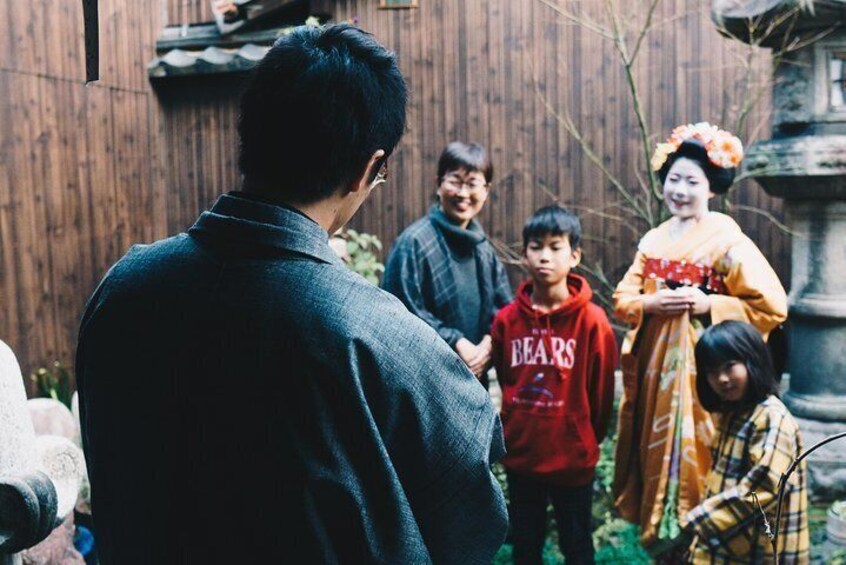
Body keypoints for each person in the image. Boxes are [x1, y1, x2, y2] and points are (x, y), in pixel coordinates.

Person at [76, 24, 508, 564]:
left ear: (248, 135)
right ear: (369, 168)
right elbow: (469, 510)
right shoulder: (375, 335)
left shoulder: (124, 289)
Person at [611, 123, 788, 559]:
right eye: (674, 179)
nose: (681, 190)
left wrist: (710, 305)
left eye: (692, 181)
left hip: (709, 369)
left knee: (708, 447)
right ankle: (662, 534)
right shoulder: (653, 241)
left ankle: (706, 532)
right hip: (658, 371)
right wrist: (652, 304)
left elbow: (771, 306)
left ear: (711, 188)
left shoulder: (727, 239)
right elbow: (623, 299)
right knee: (655, 447)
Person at [491, 205, 617, 564]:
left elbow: (602, 394)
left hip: (572, 460)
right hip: (523, 456)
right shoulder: (506, 321)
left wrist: (586, 437)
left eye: (555, 246)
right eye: (535, 246)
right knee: (526, 546)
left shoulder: (593, 323)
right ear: (525, 252)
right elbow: (506, 378)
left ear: (574, 255)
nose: (544, 256)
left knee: (577, 545)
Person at [382, 142, 512, 384]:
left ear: (486, 190)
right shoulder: (413, 243)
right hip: (423, 383)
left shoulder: (484, 250)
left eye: (472, 184)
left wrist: (489, 343)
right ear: (439, 184)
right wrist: (455, 341)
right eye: (455, 181)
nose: (463, 193)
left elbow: (505, 310)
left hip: (475, 382)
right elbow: (399, 315)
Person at [682, 320, 808, 564]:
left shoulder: (771, 418)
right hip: (731, 544)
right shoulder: (734, 413)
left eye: (730, 366)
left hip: (761, 551)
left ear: (753, 361)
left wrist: (696, 522)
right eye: (711, 371)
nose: (722, 378)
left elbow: (762, 489)